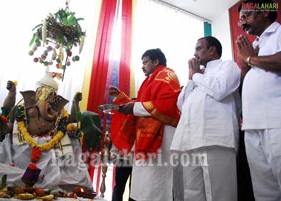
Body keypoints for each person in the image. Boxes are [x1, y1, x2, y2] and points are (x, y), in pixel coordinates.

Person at [0, 73, 93, 192]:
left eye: (49, 94)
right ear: (34, 94)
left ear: (55, 98)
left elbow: (73, 122)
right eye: (42, 92)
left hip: (50, 154)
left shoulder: (60, 114)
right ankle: (36, 180)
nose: (45, 98)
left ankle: (43, 180)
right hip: (20, 151)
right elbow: (8, 127)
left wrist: (76, 103)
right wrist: (11, 94)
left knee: (69, 173)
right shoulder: (21, 109)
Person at [170, 36, 241, 201]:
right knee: (191, 194)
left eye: (198, 48)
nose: (194, 54)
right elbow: (181, 104)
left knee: (220, 194)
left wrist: (196, 76)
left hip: (215, 139)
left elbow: (220, 89)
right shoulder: (198, 77)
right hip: (189, 141)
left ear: (212, 50)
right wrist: (192, 78)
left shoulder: (228, 66)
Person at [109, 48, 181, 201]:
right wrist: (121, 98)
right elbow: (140, 105)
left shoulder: (167, 75)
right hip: (144, 139)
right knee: (141, 185)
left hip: (162, 137)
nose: (142, 66)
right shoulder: (148, 81)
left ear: (156, 61)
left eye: (145, 62)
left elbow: (167, 105)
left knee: (156, 184)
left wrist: (134, 107)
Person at [236, 0, 281, 200]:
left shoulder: (279, 32)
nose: (241, 22)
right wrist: (245, 67)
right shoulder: (254, 44)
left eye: (245, 15)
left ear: (264, 11)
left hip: (276, 121)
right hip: (252, 126)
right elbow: (247, 81)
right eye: (240, 18)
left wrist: (249, 59)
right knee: (264, 192)